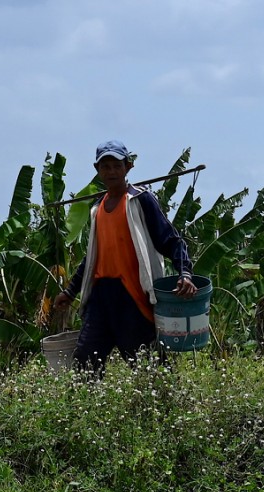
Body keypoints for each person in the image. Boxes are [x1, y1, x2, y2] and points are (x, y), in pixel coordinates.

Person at [54, 140, 197, 372]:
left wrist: (185, 273)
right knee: (85, 362)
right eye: (105, 166)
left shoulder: (140, 201)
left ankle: (166, 405)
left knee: (148, 366)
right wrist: (70, 291)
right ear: (97, 170)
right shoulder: (97, 209)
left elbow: (170, 240)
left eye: (116, 166)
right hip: (100, 298)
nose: (111, 171)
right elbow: (92, 259)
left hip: (133, 295)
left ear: (128, 167)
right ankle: (87, 408)